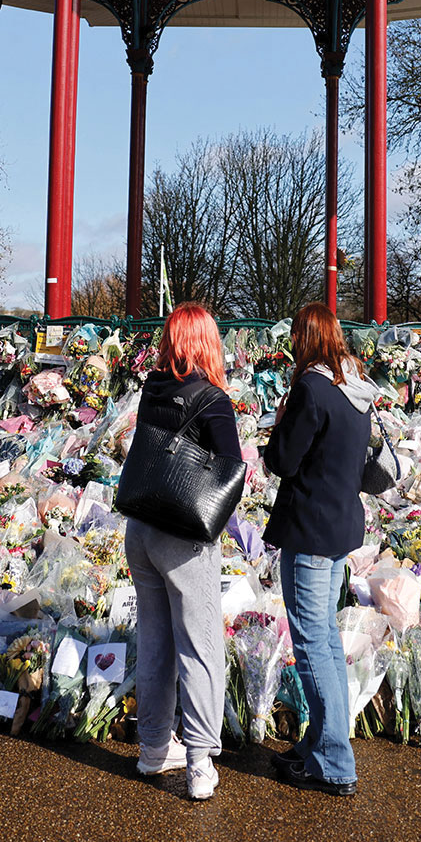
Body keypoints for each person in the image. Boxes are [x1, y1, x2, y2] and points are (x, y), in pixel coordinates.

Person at [124, 302, 241, 802]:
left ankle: (153, 749)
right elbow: (231, 468)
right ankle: (199, 763)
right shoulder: (212, 400)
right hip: (183, 536)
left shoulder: (151, 388)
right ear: (207, 343)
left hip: (140, 528)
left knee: (155, 640)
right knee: (200, 646)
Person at [262, 302, 369, 799]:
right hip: (340, 529)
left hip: (308, 532)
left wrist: (281, 421)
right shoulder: (355, 389)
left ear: (307, 337)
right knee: (325, 640)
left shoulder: (311, 388)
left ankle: (334, 762)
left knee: (311, 645)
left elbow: (283, 460)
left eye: (295, 335)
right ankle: (319, 744)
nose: (291, 343)